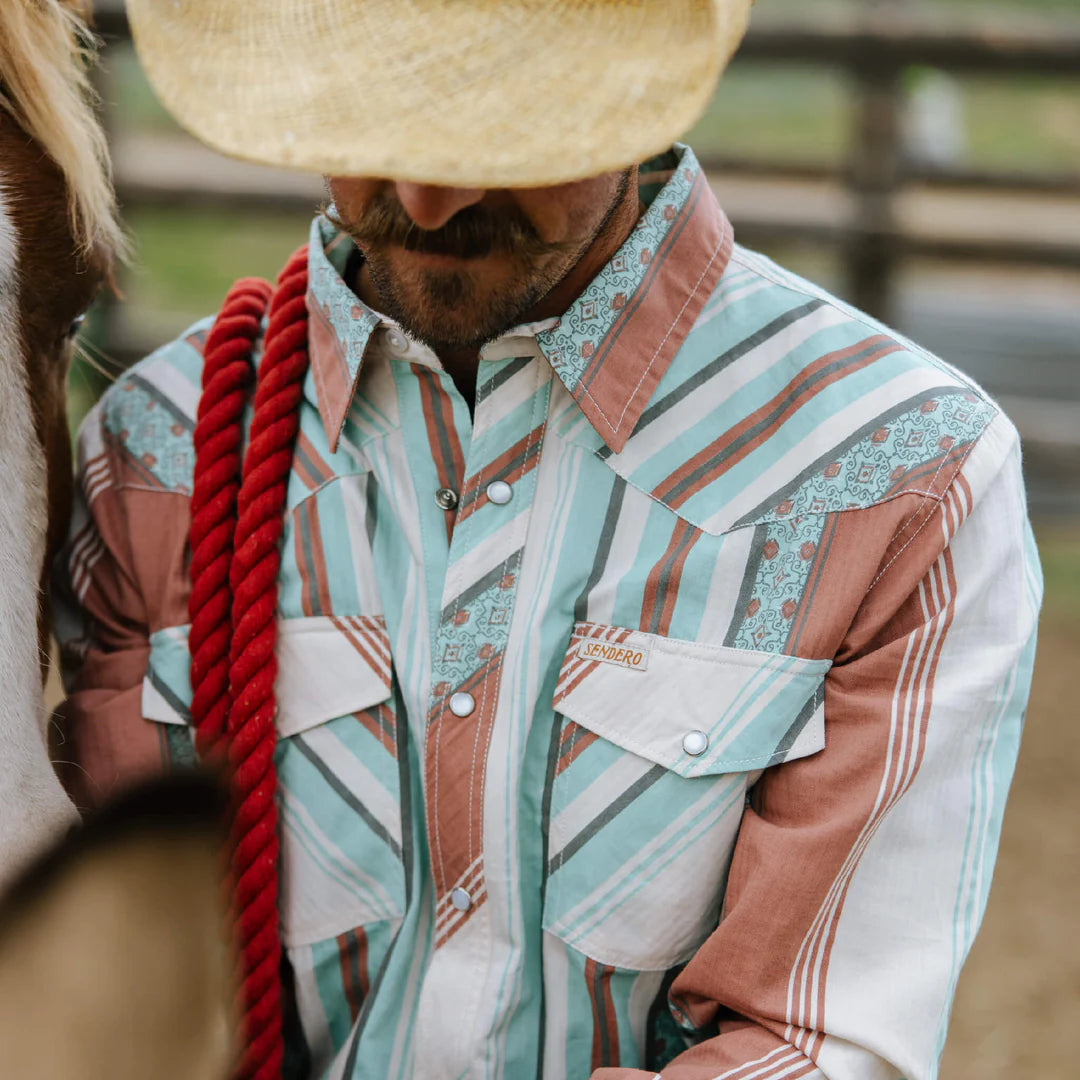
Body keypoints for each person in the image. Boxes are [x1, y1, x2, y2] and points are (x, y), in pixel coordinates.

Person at [54, 2, 1041, 1078]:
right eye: (371, 123)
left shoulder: (902, 480)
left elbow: (816, 1047)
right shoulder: (155, 461)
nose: (434, 195)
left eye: (508, 131)